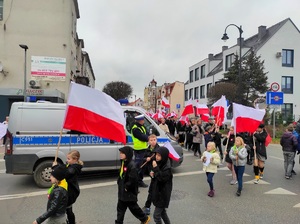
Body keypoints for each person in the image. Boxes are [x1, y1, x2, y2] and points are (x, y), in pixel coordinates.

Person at [115, 146, 150, 224]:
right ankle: (118, 222)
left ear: (127, 154)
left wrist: (126, 187)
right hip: (122, 192)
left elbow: (133, 179)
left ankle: (144, 218)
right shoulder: (124, 162)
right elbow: (122, 175)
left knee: (133, 208)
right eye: (120, 153)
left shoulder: (131, 165)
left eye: (122, 153)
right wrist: (119, 182)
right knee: (120, 209)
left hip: (128, 192)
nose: (120, 155)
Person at [151, 147, 173, 224]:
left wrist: (155, 168)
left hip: (163, 195)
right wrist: (153, 175)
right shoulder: (161, 163)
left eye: (159, 155)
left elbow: (161, 178)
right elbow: (157, 177)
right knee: (162, 213)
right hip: (158, 193)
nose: (157, 157)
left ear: (163, 156)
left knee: (156, 216)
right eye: (156, 155)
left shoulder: (167, 169)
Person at [142, 134, 160, 215]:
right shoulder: (147, 149)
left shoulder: (159, 149)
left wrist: (152, 158)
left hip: (156, 172)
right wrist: (146, 158)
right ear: (149, 141)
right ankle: (154, 206)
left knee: (153, 189)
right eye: (151, 140)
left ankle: (148, 206)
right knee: (154, 189)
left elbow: (160, 160)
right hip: (150, 171)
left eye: (154, 140)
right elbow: (143, 158)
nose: (153, 142)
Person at [64, 150, 83, 224]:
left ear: (75, 159)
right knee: (68, 210)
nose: (67, 160)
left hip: (70, 193)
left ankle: (71, 222)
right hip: (71, 191)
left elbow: (66, 174)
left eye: (68, 159)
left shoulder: (73, 169)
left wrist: (55, 167)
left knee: (68, 210)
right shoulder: (72, 166)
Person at [131, 114, 149, 188]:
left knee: (143, 166)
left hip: (143, 149)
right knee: (139, 167)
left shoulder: (142, 127)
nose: (143, 121)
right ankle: (137, 182)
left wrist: (148, 136)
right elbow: (142, 137)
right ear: (139, 121)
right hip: (139, 150)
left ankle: (139, 180)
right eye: (142, 120)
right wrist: (149, 138)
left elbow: (147, 133)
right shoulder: (135, 129)